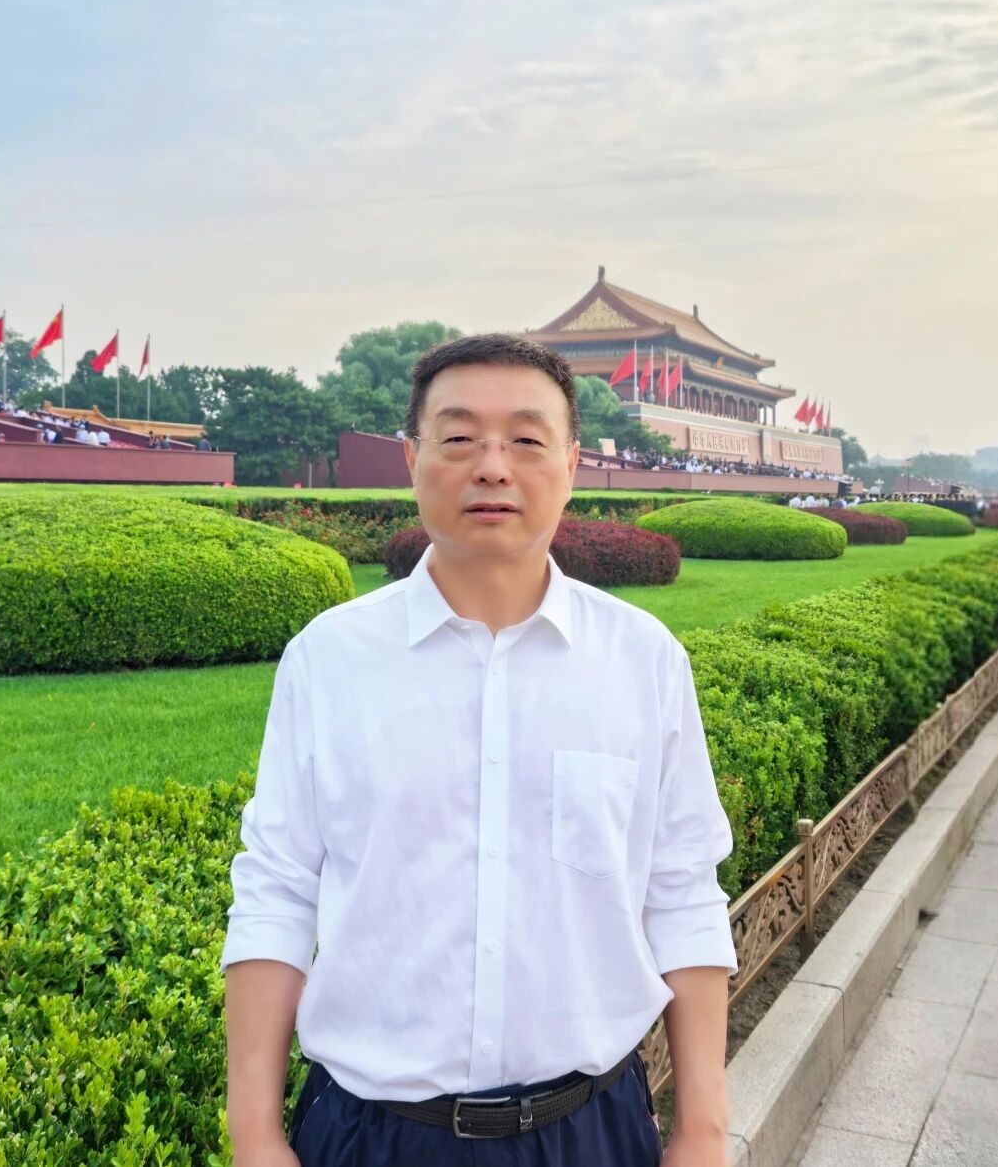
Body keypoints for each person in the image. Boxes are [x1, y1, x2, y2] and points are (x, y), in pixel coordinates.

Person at [223, 334, 737, 1167]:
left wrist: (702, 1132)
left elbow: (681, 892)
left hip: (590, 1130)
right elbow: (276, 889)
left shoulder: (643, 662)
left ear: (572, 462)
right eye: (459, 438)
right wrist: (254, 1135)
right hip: (371, 1135)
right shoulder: (330, 659)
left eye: (526, 440)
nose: (493, 468)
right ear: (412, 458)